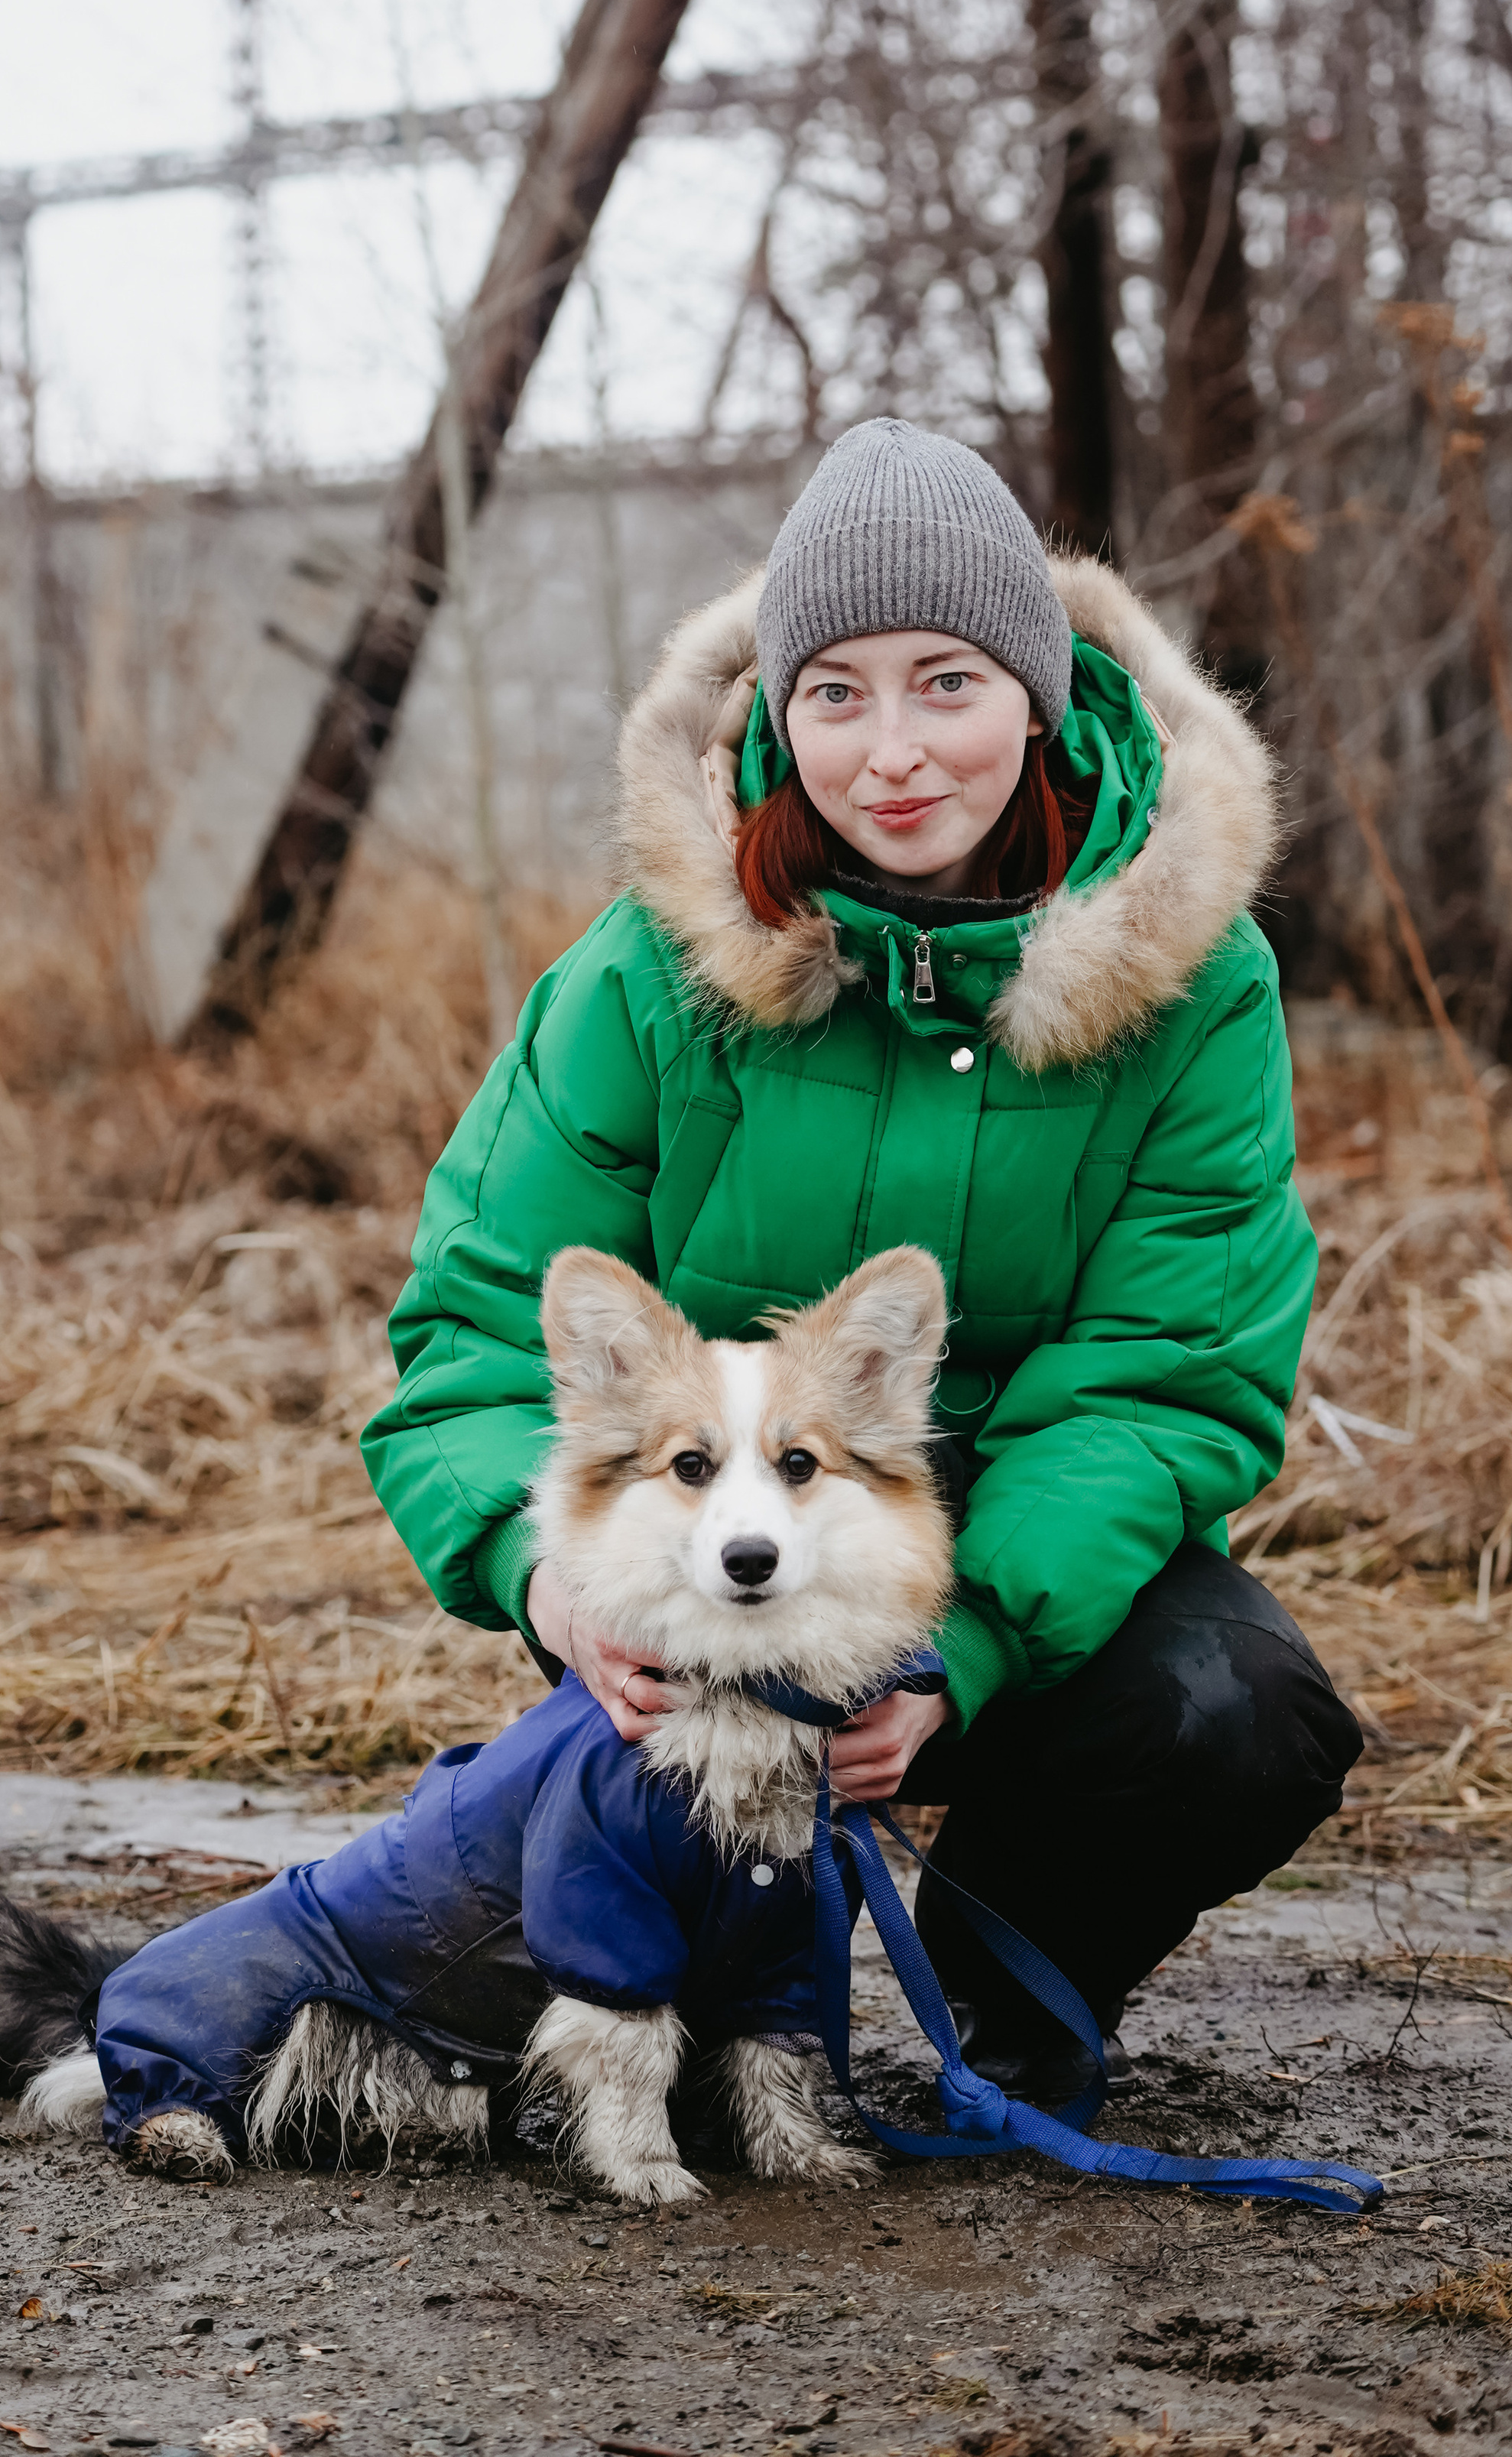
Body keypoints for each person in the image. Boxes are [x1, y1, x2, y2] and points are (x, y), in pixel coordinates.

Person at [362, 415, 1362, 2104]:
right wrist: (537, 1580)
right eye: (835, 692)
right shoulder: (642, 975)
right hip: (713, 1521)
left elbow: (1163, 1377)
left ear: (1035, 703)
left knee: (1238, 1715)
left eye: (943, 683)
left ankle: (1007, 1971)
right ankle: (684, 1959)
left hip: (1014, 1538)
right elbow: (470, 1325)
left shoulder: (1198, 988)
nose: (890, 752)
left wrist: (944, 1664)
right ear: (772, 715)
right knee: (472, 2038)